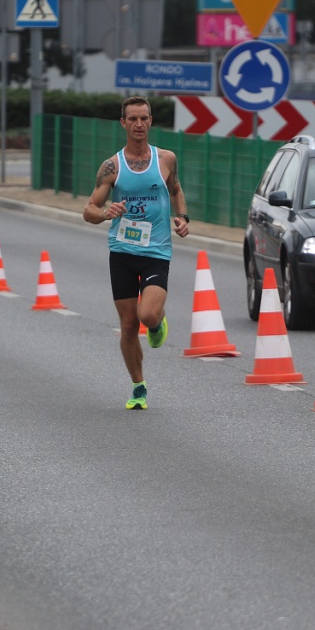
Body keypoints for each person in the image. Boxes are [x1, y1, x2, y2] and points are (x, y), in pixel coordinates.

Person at [83, 95, 190, 410]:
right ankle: (138, 386)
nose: (139, 124)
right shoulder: (112, 166)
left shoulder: (166, 159)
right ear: (123, 123)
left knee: (146, 315)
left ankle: (157, 322)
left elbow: (176, 190)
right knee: (128, 324)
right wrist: (106, 213)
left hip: (156, 250)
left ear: (151, 121)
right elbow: (89, 209)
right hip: (122, 251)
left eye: (144, 118)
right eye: (133, 119)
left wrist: (182, 218)